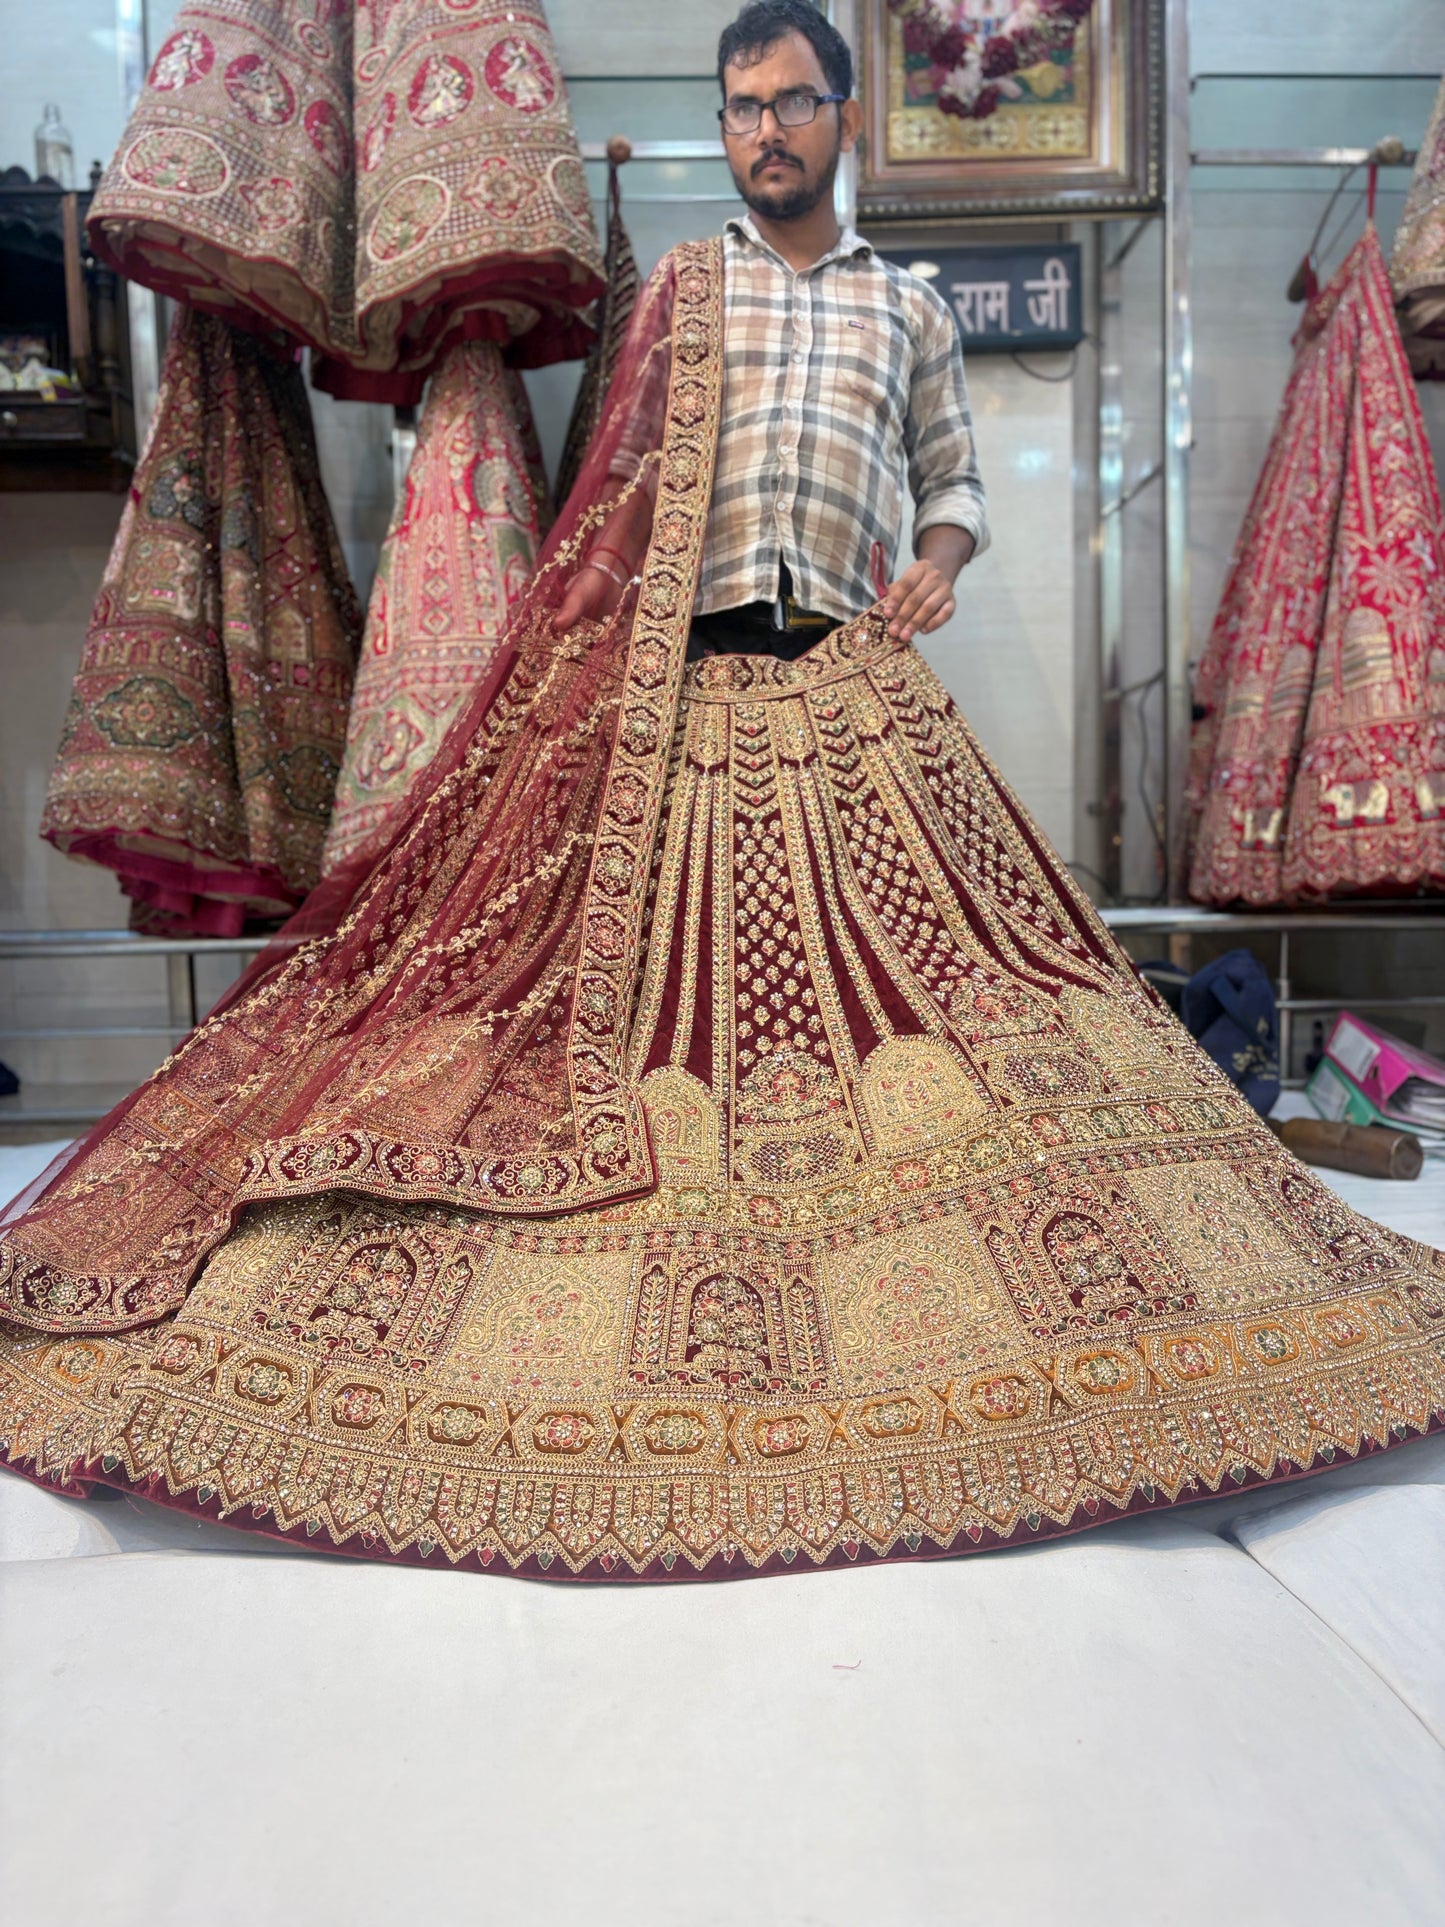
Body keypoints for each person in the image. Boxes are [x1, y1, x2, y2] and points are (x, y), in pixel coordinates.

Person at [0, 3, 1440, 1581]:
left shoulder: (905, 310)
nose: (763, 130)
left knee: (996, 998)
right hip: (678, 700)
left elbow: (951, 477)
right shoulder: (685, 291)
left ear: (844, 118)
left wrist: (941, 561)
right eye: (738, 107)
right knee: (637, 1013)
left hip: (846, 684)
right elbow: (617, 493)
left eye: (790, 103)